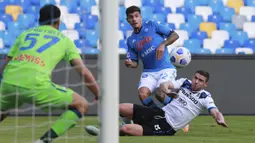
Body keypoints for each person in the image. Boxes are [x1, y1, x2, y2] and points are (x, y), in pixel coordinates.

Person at [0, 4, 100, 143]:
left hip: (9, 82)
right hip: (36, 85)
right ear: (58, 22)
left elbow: (5, 63)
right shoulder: (64, 40)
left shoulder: (25, 34)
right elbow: (83, 71)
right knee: (81, 104)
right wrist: (97, 92)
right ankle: (44, 141)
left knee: (4, 110)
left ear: (40, 20)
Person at [85, 70, 228, 136]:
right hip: (159, 113)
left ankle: (103, 133)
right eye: (196, 77)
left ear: (205, 84)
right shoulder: (185, 82)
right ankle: (111, 124)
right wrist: (167, 91)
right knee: (119, 107)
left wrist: (219, 118)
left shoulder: (205, 97)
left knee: (126, 130)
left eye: (200, 80)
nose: (196, 81)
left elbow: (214, 110)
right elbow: (166, 85)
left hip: (167, 126)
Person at [124, 6, 179, 108]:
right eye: (131, 17)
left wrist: (163, 44)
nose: (134, 19)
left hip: (165, 68)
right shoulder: (131, 40)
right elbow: (135, 63)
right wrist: (130, 63)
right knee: (142, 94)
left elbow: (174, 35)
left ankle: (178, 112)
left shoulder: (152, 25)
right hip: (149, 72)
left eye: (136, 16)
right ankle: (156, 115)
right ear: (128, 20)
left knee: (161, 93)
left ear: (141, 17)